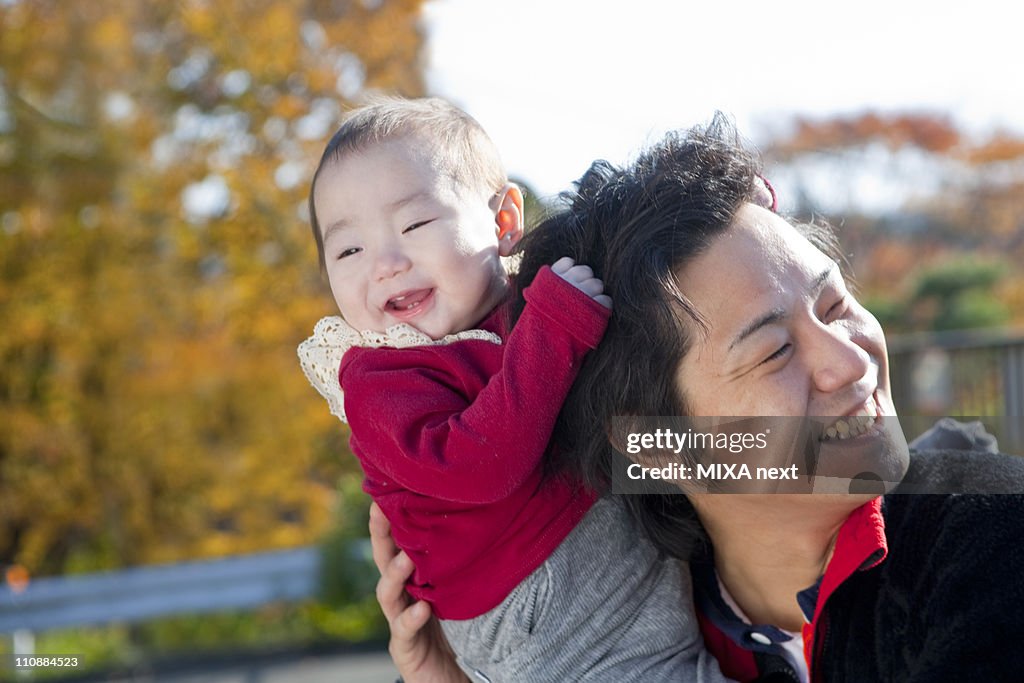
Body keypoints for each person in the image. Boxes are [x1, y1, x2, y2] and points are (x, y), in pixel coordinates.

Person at [371, 114, 1024, 682]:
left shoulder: (988, 542)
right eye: (775, 351)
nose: (850, 361)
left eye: (834, 305)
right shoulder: (610, 631)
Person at [297, 96, 732, 682]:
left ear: (503, 223)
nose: (385, 263)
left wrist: (724, 220)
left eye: (415, 224)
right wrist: (553, 332)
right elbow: (476, 468)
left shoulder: (535, 298)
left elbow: (644, 281)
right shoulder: (380, 377)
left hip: (599, 546)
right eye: (349, 249)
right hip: (534, 600)